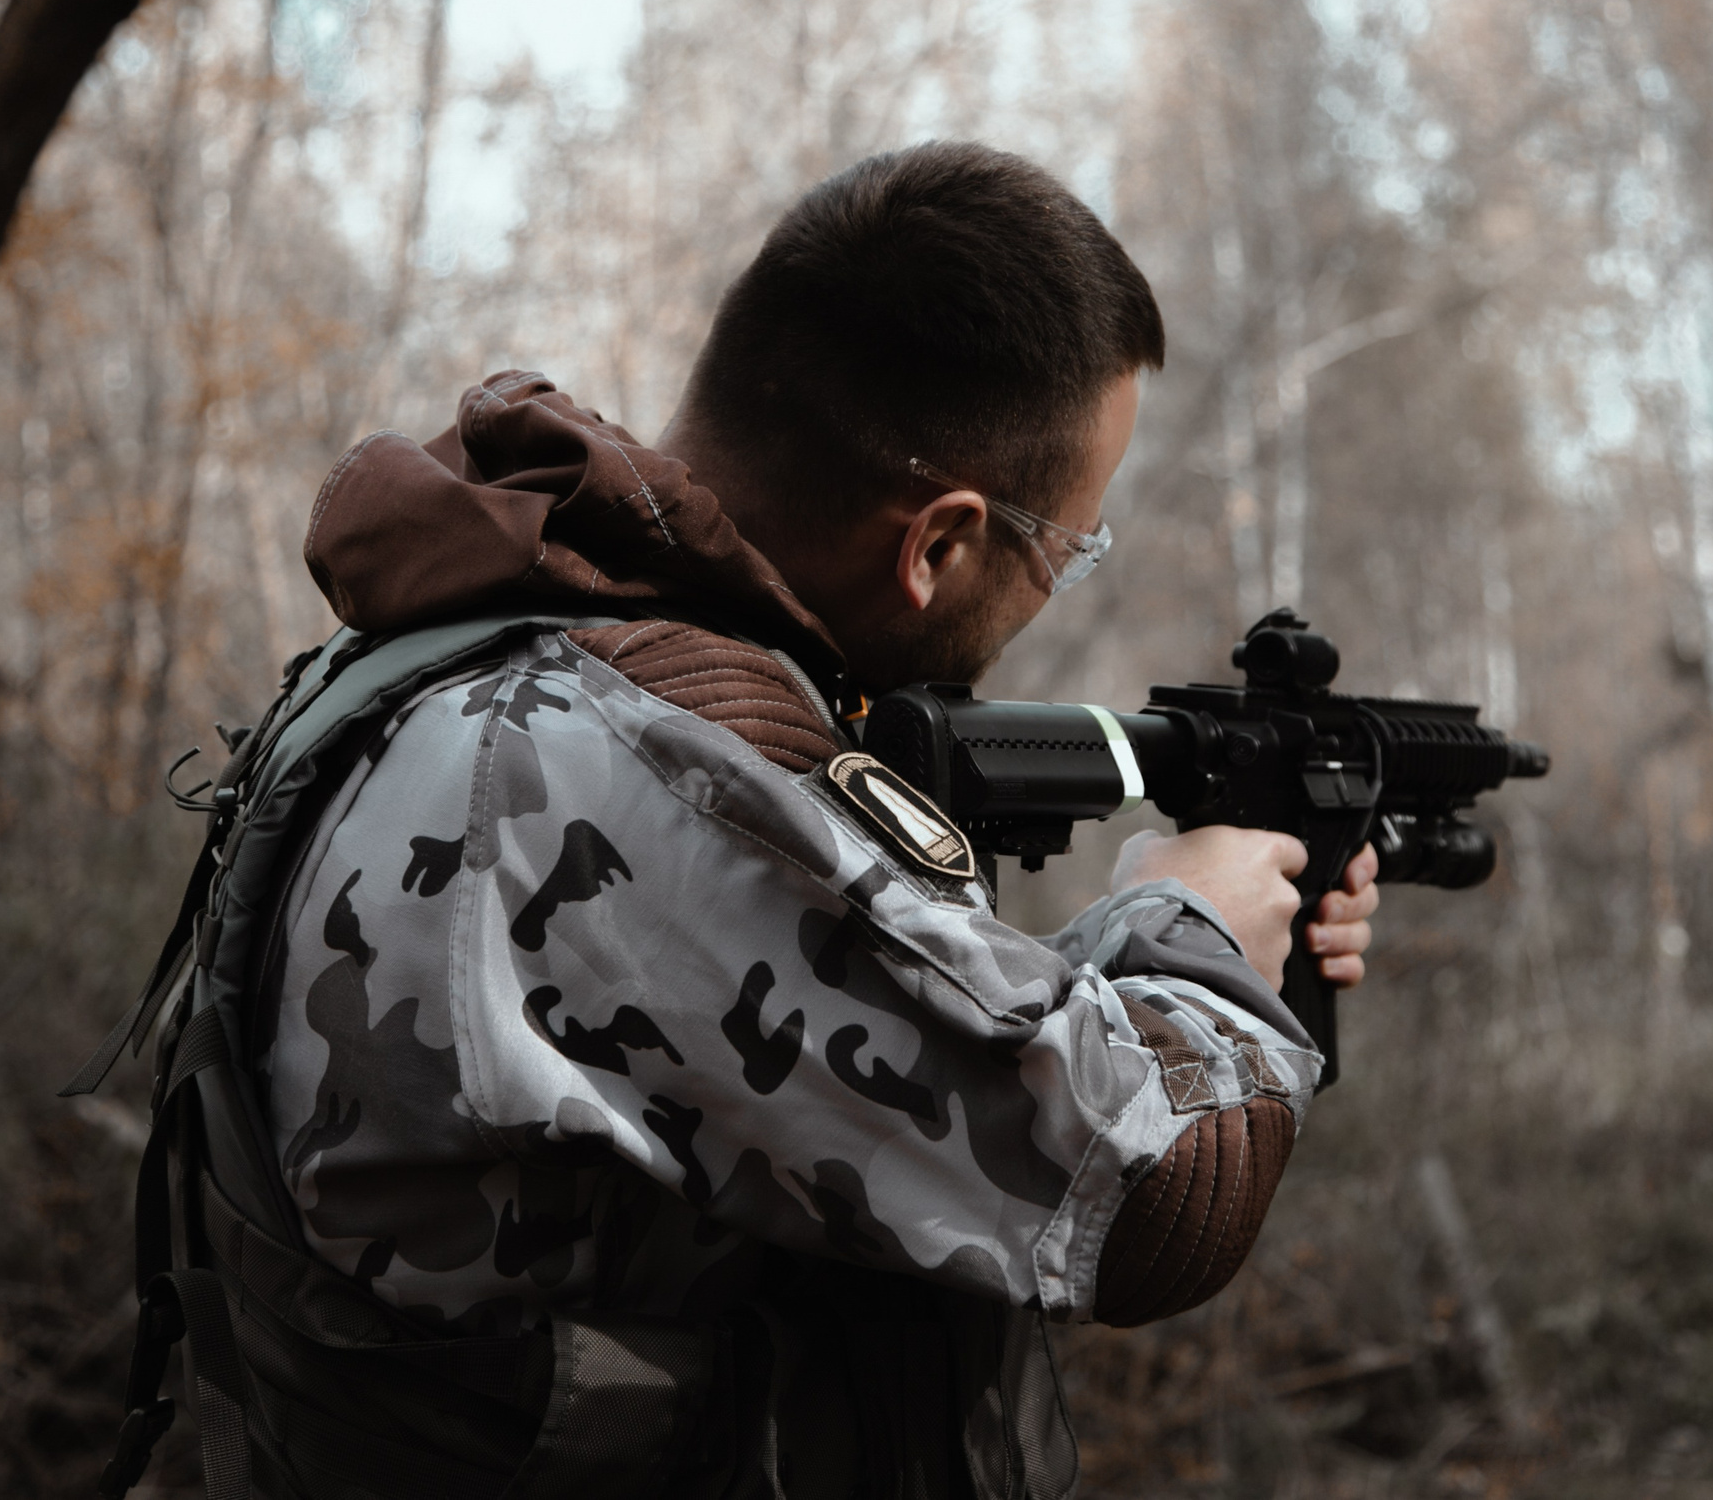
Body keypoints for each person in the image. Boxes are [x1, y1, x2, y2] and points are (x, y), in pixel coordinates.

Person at [148, 142, 1375, 1499]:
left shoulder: (481, 657)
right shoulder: (644, 770)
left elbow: (799, 1047)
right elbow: (1155, 1196)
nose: (1059, 587)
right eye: (1067, 548)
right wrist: (1197, 929)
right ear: (939, 545)